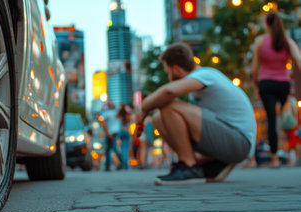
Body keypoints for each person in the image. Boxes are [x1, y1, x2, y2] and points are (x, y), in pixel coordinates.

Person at [136, 42, 256, 185]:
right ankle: (210, 164)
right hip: (233, 141)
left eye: (168, 72)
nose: (169, 77)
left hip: (240, 142)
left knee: (168, 106)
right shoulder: (201, 80)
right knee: (158, 118)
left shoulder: (204, 75)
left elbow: (169, 91)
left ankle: (189, 167)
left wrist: (143, 108)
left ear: (177, 69)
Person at [251, 11, 301, 167]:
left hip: (266, 83)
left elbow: (254, 68)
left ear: (266, 24)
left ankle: (274, 158)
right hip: (283, 84)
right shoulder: (287, 41)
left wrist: (256, 85)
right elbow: (298, 60)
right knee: (288, 118)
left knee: (271, 120)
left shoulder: (260, 41)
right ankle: (295, 152)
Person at [100, 99, 122, 171]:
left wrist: (108, 133)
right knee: (111, 148)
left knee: (110, 149)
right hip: (114, 132)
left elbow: (103, 123)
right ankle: (110, 165)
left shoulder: (107, 113)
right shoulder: (116, 112)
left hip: (111, 132)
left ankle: (110, 165)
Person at [117, 104, 132, 170]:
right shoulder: (128, 115)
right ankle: (125, 165)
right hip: (126, 131)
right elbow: (131, 120)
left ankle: (123, 164)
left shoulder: (119, 115)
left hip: (121, 132)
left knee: (122, 149)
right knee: (125, 149)